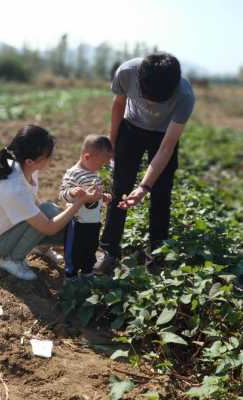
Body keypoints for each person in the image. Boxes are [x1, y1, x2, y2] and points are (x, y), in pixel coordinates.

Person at [97, 52, 195, 273]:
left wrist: (144, 186)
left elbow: (167, 146)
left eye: (158, 100)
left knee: (161, 193)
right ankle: (109, 250)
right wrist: (112, 142)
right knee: (120, 187)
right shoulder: (126, 73)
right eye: (147, 96)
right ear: (140, 80)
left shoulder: (185, 95)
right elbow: (118, 105)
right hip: (131, 128)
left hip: (163, 135)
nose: (150, 103)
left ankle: (157, 257)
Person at [0, 125, 98, 280]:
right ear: (31, 161)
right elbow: (48, 228)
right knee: (51, 215)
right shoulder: (14, 188)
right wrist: (78, 203)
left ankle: (41, 248)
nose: (51, 159)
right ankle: (11, 260)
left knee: (56, 218)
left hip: (5, 229)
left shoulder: (24, 167)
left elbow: (33, 204)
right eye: (48, 156)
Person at [59, 134, 113, 281]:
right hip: (78, 221)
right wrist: (71, 192)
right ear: (87, 157)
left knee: (90, 248)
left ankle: (88, 271)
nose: (101, 167)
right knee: (74, 249)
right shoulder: (73, 174)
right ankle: (71, 274)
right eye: (100, 163)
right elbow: (62, 194)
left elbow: (94, 196)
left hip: (93, 222)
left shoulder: (94, 173)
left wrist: (103, 198)